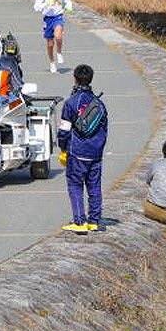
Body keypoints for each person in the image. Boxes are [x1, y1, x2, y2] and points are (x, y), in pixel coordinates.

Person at [58, 64, 108, 233]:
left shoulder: (71, 103)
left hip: (77, 152)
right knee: (94, 186)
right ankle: (94, 220)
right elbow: (104, 128)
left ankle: (79, 222)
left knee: (75, 185)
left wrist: (63, 148)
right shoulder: (99, 104)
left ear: (75, 78)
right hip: (96, 153)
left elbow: (64, 131)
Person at [34, 0, 72, 73]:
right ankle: (52, 62)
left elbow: (68, 1)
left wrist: (66, 6)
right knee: (50, 43)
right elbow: (36, 7)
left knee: (58, 35)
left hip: (58, 17)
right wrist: (46, 4)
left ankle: (59, 52)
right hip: (48, 19)